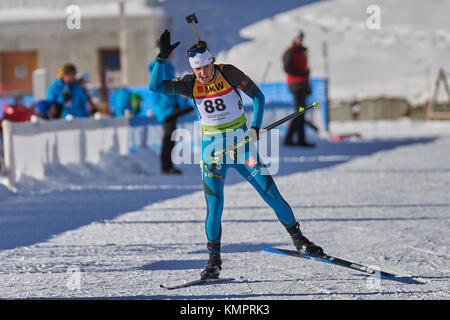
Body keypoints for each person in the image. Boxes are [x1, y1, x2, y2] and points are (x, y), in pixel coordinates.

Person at [149, 30, 323, 280]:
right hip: (213, 152)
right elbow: (155, 86)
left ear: (211, 62)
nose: (203, 74)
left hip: (242, 146)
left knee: (271, 193)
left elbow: (258, 97)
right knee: (215, 207)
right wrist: (162, 58)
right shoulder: (190, 83)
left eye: (205, 68)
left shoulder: (228, 72)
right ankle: (213, 261)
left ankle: (300, 239)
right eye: (197, 70)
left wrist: (255, 127)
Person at [148, 49, 194, 175]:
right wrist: (178, 104)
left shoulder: (160, 67)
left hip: (163, 108)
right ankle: (166, 167)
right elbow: (166, 89)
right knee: (169, 138)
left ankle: (167, 166)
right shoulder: (165, 67)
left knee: (169, 137)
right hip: (167, 108)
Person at [282, 31, 315, 147]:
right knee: (300, 111)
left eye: (302, 38)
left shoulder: (302, 52)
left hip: (303, 84)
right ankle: (292, 139)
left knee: (301, 112)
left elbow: (305, 72)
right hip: (295, 85)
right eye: (299, 38)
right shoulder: (290, 52)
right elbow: (287, 68)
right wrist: (302, 73)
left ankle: (295, 139)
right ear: (295, 39)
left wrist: (308, 86)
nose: (301, 40)